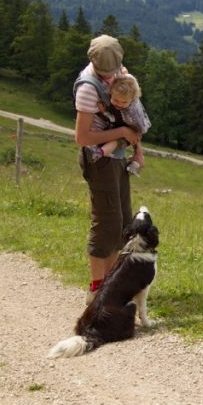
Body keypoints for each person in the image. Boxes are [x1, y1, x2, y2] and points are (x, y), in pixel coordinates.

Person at [73, 35, 144, 303]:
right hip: (99, 160)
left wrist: (136, 146)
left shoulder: (120, 76)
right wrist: (123, 131)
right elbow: (82, 138)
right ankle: (96, 288)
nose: (109, 75)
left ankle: (111, 285)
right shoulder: (88, 88)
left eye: (112, 70)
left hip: (117, 159)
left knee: (123, 222)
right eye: (104, 71)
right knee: (106, 224)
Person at [85, 72, 151, 177]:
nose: (119, 104)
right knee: (116, 139)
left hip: (133, 132)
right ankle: (133, 166)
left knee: (115, 142)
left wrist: (103, 113)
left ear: (131, 100)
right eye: (115, 100)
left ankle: (98, 153)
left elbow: (113, 120)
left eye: (124, 102)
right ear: (111, 93)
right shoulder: (119, 105)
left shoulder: (130, 112)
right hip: (123, 128)